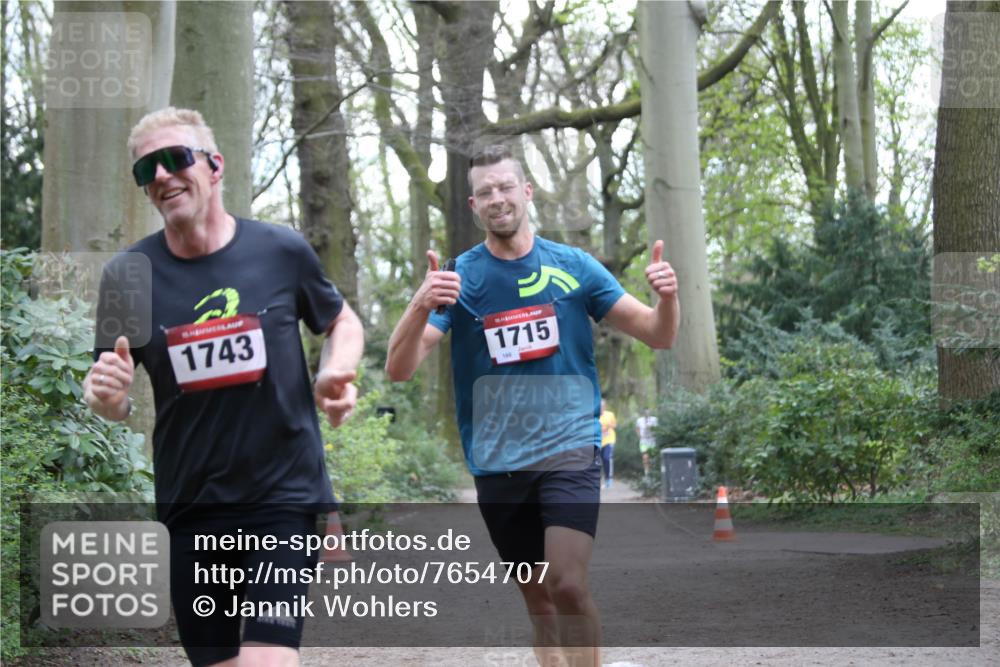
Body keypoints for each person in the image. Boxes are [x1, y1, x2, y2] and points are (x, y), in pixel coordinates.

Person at [83, 107, 364, 667]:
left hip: (281, 499)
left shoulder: (280, 251)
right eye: (146, 171)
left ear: (214, 167)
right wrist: (107, 399)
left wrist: (338, 370)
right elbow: (110, 392)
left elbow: (342, 321)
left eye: (175, 159)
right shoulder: (126, 277)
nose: (161, 175)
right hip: (192, 505)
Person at [384, 145, 679, 666]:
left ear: (526, 192)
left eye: (505, 187)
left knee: (566, 584)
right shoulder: (459, 280)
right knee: (541, 605)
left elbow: (657, 335)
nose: (496, 199)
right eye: (484, 192)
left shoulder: (575, 268)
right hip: (498, 463)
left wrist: (668, 299)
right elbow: (400, 368)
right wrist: (420, 303)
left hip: (569, 449)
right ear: (473, 205)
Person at [635, 409, 659, 477]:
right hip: (644, 441)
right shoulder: (639, 420)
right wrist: (639, 436)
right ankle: (647, 473)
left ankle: (653, 472)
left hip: (652, 440)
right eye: (645, 413)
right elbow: (637, 428)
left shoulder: (654, 419)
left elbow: (657, 429)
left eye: (648, 413)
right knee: (645, 457)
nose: (647, 414)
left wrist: (651, 428)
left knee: (652, 457)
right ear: (643, 414)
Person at [599, 399, 617, 489]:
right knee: (601, 461)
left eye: (602, 406)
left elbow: (614, 425)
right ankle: (604, 480)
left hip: (610, 440)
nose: (601, 408)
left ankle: (609, 479)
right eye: (599, 406)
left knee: (607, 458)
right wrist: (604, 428)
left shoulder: (610, 414)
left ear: (605, 406)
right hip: (599, 442)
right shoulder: (595, 416)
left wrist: (609, 425)